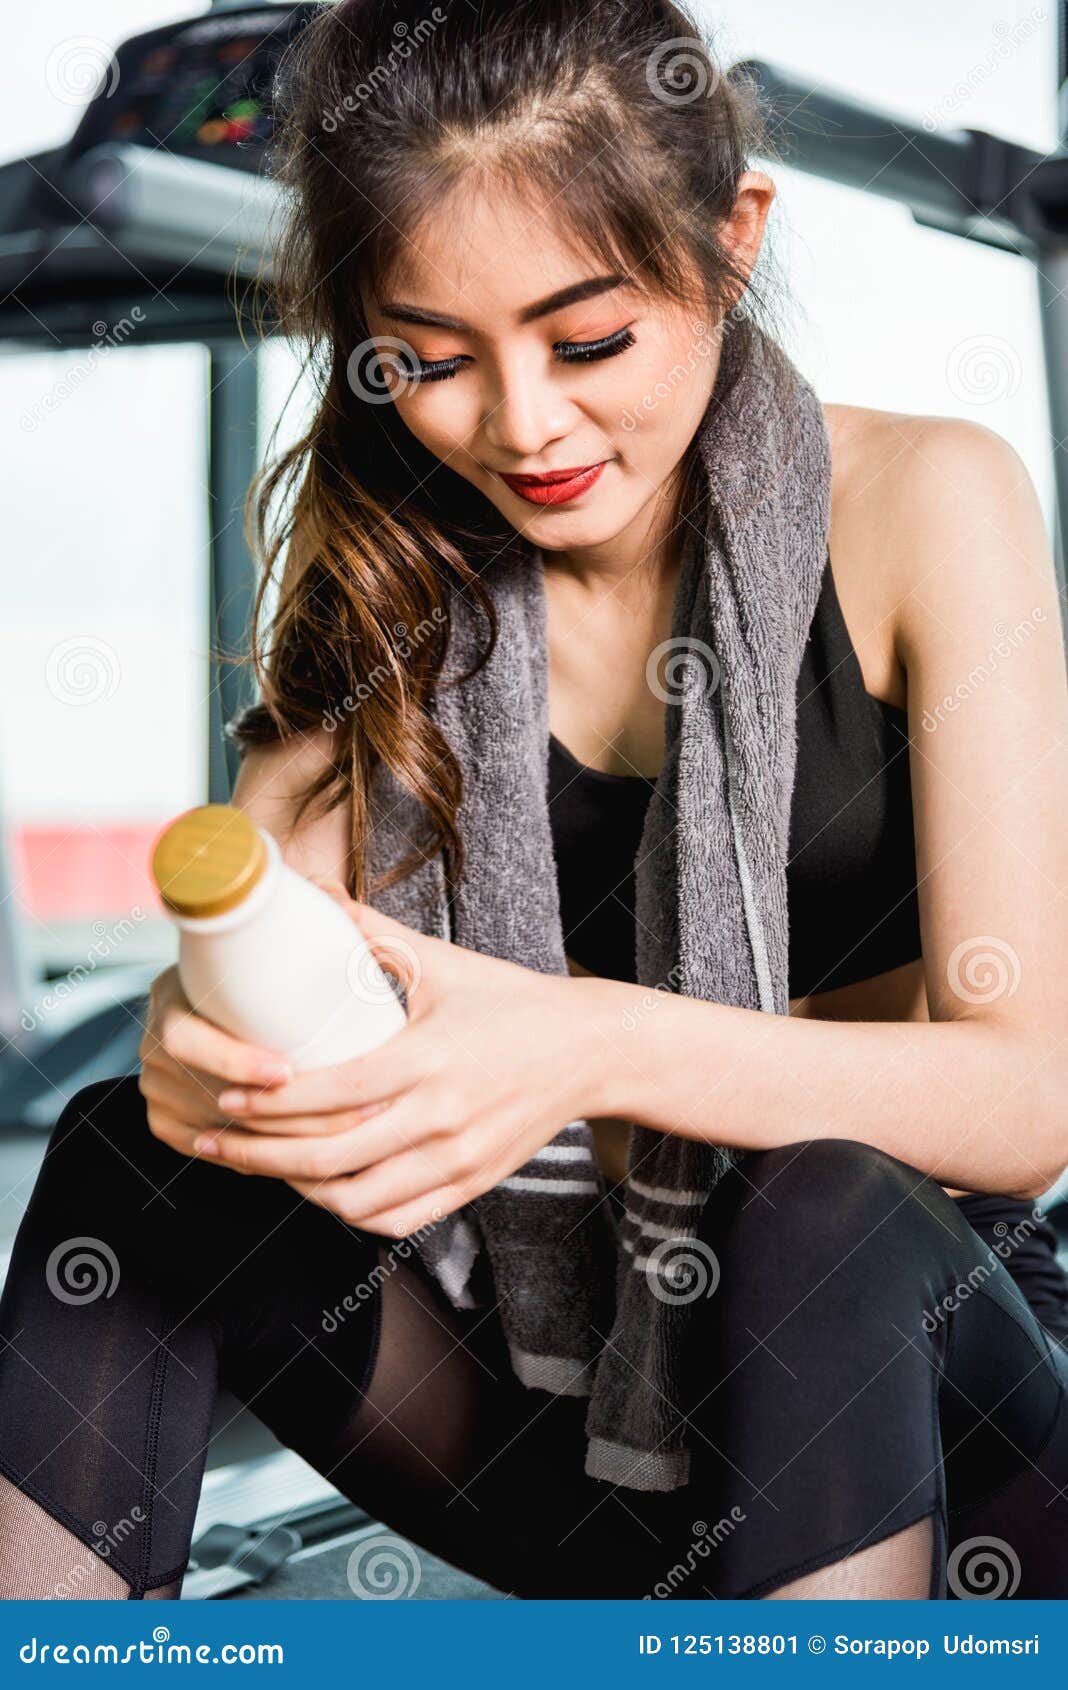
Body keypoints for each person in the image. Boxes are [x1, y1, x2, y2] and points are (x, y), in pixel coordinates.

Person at [2, 0, 1068, 1602]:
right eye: (432, 359)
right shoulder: (390, 583)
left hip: (910, 1394)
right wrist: (207, 1067)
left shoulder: (931, 499)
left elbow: (1031, 1092)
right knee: (123, 1163)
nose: (521, 425)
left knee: (820, 1205)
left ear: (728, 241)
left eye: (587, 340)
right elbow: (282, 1018)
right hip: (558, 1404)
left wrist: (581, 1036)